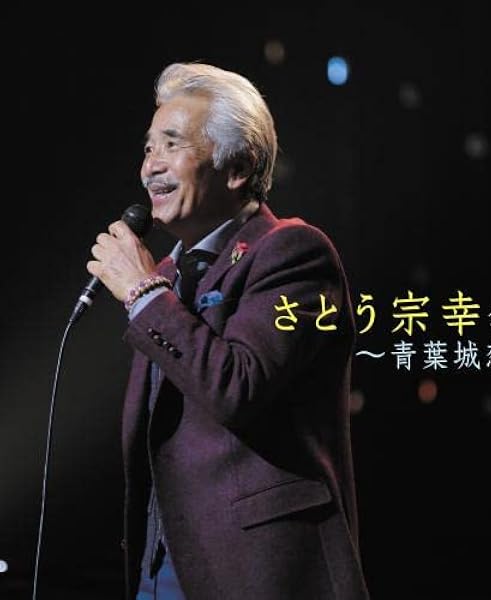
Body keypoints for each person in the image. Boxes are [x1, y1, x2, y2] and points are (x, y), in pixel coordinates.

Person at [87, 61, 370, 600]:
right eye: (148, 148)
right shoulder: (166, 276)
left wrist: (144, 295)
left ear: (237, 167)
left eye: (172, 144)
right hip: (160, 570)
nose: (150, 167)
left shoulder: (293, 253)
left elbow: (237, 386)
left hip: (258, 573)